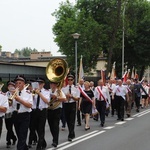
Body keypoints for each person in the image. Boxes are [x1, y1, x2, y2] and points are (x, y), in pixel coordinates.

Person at [13, 75, 33, 150]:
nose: (18, 85)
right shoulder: (14, 93)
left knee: (22, 135)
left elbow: (30, 105)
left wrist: (20, 100)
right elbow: (10, 105)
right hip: (15, 115)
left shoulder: (28, 93)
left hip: (25, 115)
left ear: (24, 84)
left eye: (20, 83)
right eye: (17, 83)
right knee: (19, 135)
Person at [30, 78, 50, 150]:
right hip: (35, 111)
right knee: (36, 128)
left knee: (41, 128)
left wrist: (39, 93)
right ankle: (43, 142)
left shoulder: (46, 91)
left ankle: (39, 146)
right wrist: (32, 94)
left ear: (43, 84)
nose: (39, 85)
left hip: (42, 111)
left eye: (41, 83)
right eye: (38, 83)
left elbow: (47, 101)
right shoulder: (34, 91)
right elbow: (31, 102)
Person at [47, 81, 66, 148]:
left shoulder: (59, 91)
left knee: (55, 125)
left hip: (57, 109)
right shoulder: (48, 91)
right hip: (49, 109)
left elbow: (64, 99)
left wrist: (56, 98)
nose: (52, 85)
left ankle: (55, 141)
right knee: (51, 125)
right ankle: (54, 138)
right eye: (51, 84)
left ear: (56, 85)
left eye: (54, 84)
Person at [62, 73, 80, 142]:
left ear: (73, 80)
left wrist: (72, 96)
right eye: (68, 80)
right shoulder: (64, 89)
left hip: (72, 104)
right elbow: (62, 98)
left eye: (71, 80)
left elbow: (77, 98)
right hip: (66, 104)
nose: (69, 81)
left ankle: (70, 135)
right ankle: (72, 132)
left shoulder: (76, 88)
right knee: (67, 120)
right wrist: (66, 96)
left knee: (72, 120)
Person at [5, 81, 17, 148]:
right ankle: (14, 138)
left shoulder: (16, 94)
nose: (10, 87)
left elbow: (15, 104)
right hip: (7, 112)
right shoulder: (5, 94)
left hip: (13, 112)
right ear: (7, 87)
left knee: (10, 128)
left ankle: (8, 141)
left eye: (12, 86)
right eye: (9, 86)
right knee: (8, 128)